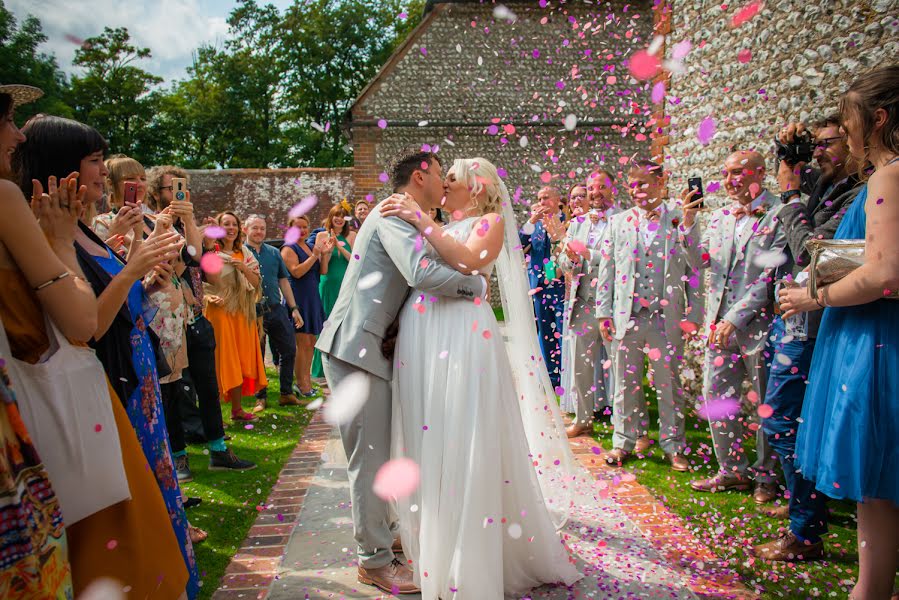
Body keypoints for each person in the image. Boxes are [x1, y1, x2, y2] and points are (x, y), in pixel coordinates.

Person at [379, 156, 584, 599]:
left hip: (463, 332)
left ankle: (468, 556)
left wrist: (420, 220)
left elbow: (470, 264)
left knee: (463, 430)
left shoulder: (490, 222)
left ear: (475, 187)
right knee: (426, 431)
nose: (443, 184)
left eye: (450, 179)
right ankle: (430, 540)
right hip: (423, 333)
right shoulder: (430, 222)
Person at [15, 114, 196, 598]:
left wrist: (142, 277)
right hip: (110, 378)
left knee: (151, 500)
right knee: (127, 515)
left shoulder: (79, 230)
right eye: (95, 161)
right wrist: (133, 265)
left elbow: (113, 296)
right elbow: (86, 324)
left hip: (136, 373)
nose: (104, 172)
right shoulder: (47, 229)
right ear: (63, 167)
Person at [315, 148, 484, 595]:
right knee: (369, 461)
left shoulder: (406, 217)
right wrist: (477, 283)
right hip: (355, 349)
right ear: (420, 174)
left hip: (371, 350)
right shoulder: (392, 215)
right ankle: (373, 561)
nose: (445, 186)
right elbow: (420, 273)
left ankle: (384, 536)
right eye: (440, 175)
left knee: (380, 455)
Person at [778, 65, 899, 597]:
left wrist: (814, 295)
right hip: (879, 335)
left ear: (877, 119)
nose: (846, 135)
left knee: (879, 483)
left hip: (877, 342)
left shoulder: (889, 177)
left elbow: (884, 274)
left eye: (848, 122)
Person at [752, 116, 864, 553]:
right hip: (794, 321)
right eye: (811, 146)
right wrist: (789, 152)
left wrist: (792, 194)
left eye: (826, 143)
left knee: (784, 419)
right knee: (788, 420)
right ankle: (806, 504)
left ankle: (806, 527)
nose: (815, 153)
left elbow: (810, 252)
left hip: (818, 326)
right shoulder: (829, 185)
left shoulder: (859, 192)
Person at [0, 82, 81, 600]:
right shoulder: (4, 198)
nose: (16, 133)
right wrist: (60, 241)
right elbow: (80, 320)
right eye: (6, 120)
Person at [679, 150, 783, 502]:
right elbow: (700, 261)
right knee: (717, 396)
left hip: (759, 326)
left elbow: (771, 275)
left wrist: (734, 318)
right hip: (717, 327)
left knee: (767, 402)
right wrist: (689, 222)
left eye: (738, 172)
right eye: (725, 173)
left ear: (759, 171)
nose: (729, 180)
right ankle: (732, 470)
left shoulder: (780, 212)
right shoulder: (721, 216)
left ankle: (767, 476)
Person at [145, 166, 255, 474]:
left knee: (208, 385)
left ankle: (218, 450)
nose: (180, 194)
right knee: (173, 390)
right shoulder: (150, 226)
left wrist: (200, 237)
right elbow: (168, 270)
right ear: (156, 194)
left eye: (183, 188)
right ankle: (179, 456)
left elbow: (213, 276)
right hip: (166, 323)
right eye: (172, 188)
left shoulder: (191, 229)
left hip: (196, 319)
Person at [595, 159, 699, 472]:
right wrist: (603, 313)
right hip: (627, 315)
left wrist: (695, 313)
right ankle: (622, 442)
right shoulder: (619, 222)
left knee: (668, 384)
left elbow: (695, 267)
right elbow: (607, 270)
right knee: (625, 385)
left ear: (660, 182)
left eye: (643, 183)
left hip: (665, 318)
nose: (637, 190)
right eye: (632, 184)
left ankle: (673, 445)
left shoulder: (681, 217)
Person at [558, 171, 618, 437]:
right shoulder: (577, 223)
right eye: (591, 188)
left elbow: (618, 258)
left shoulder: (622, 220)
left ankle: (626, 427)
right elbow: (563, 263)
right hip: (582, 303)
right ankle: (583, 418)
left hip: (612, 306)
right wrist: (570, 259)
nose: (595, 193)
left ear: (612, 189)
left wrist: (588, 254)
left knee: (619, 366)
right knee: (581, 366)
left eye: (601, 187)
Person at [203, 211, 267, 422]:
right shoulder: (210, 253)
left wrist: (241, 268)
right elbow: (207, 283)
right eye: (226, 224)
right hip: (220, 312)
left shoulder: (246, 253)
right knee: (223, 359)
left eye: (234, 225)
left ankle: (237, 410)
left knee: (239, 360)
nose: (231, 228)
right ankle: (216, 414)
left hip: (241, 313)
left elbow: (256, 284)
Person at [243, 214, 302, 411]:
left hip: (276, 309)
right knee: (257, 355)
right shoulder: (239, 253)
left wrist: (293, 308)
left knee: (289, 349)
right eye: (255, 228)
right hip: (252, 311)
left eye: (262, 228)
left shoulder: (273, 252)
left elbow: (283, 281)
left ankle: (286, 393)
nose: (259, 232)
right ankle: (260, 396)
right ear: (246, 230)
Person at [519, 186, 567, 388]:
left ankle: (566, 375)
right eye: (539, 198)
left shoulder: (567, 221)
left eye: (546, 198)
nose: (542, 202)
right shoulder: (535, 225)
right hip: (539, 288)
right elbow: (519, 244)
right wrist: (530, 222)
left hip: (560, 285)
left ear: (557, 200)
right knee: (545, 332)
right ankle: (550, 378)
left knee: (562, 332)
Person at [282, 214, 328, 397]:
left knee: (311, 341)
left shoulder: (310, 246)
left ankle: (306, 380)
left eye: (305, 227)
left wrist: (324, 254)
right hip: (298, 299)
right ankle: (301, 383)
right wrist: (314, 256)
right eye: (297, 227)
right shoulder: (288, 249)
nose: (302, 231)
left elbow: (323, 271)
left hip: (313, 298)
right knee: (302, 342)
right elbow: (297, 272)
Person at [310, 204, 356, 380]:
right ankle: (320, 369)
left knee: (345, 324)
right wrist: (328, 251)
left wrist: (340, 246)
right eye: (336, 215)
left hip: (346, 284)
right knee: (325, 323)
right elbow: (323, 267)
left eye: (343, 216)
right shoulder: (322, 235)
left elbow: (355, 260)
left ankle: (342, 368)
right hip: (328, 283)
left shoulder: (352, 236)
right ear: (331, 217)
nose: (339, 219)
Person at [90, 155, 149, 251]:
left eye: (143, 179)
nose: (140, 184)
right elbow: (102, 263)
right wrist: (113, 235)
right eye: (130, 179)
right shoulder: (101, 223)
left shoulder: (155, 220)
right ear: (110, 184)